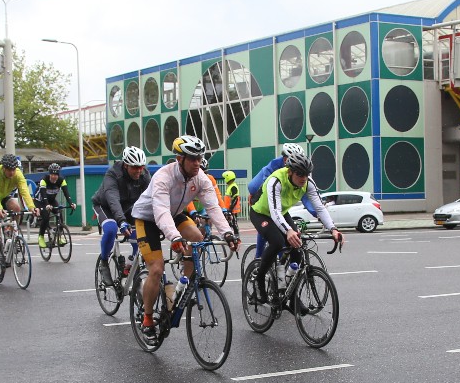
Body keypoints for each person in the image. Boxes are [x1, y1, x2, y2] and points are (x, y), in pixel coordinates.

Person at [130, 135, 237, 339]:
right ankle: (147, 318)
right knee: (157, 268)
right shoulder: (163, 177)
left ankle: (182, 287)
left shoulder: (200, 178)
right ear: (180, 159)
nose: (197, 163)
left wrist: (228, 233)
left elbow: (213, 208)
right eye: (193, 159)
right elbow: (160, 211)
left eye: (200, 158)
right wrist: (175, 237)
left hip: (174, 213)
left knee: (197, 237)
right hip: (148, 218)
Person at [247, 149, 341, 307]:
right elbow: (274, 212)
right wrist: (288, 231)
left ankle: (288, 294)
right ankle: (260, 280)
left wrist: (333, 229)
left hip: (282, 213)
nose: (304, 178)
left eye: (306, 174)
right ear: (290, 171)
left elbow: (319, 207)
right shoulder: (276, 180)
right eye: (300, 174)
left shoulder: (308, 182)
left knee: (297, 249)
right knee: (277, 242)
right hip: (261, 213)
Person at [91, 145, 150, 267]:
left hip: (127, 207)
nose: (139, 170)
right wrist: (122, 221)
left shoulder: (144, 175)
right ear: (126, 165)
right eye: (135, 167)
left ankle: (132, 262)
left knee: (140, 235)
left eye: (141, 167)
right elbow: (113, 199)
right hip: (105, 206)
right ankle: (104, 262)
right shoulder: (113, 174)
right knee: (111, 230)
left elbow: (151, 197)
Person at [0, 154, 35, 275]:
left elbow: (24, 191)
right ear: (3, 168)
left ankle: (12, 232)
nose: (12, 172)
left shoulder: (18, 174)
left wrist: (32, 207)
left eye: (14, 169)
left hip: (4, 196)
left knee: (16, 208)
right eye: (9, 170)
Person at [33, 162, 76, 249]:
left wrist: (71, 203)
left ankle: (59, 236)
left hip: (51, 200)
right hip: (40, 201)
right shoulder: (44, 180)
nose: (54, 176)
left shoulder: (61, 181)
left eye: (56, 175)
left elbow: (66, 193)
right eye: (52, 174)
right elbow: (43, 195)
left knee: (59, 214)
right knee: (45, 217)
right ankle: (41, 237)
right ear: (49, 174)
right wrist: (47, 205)